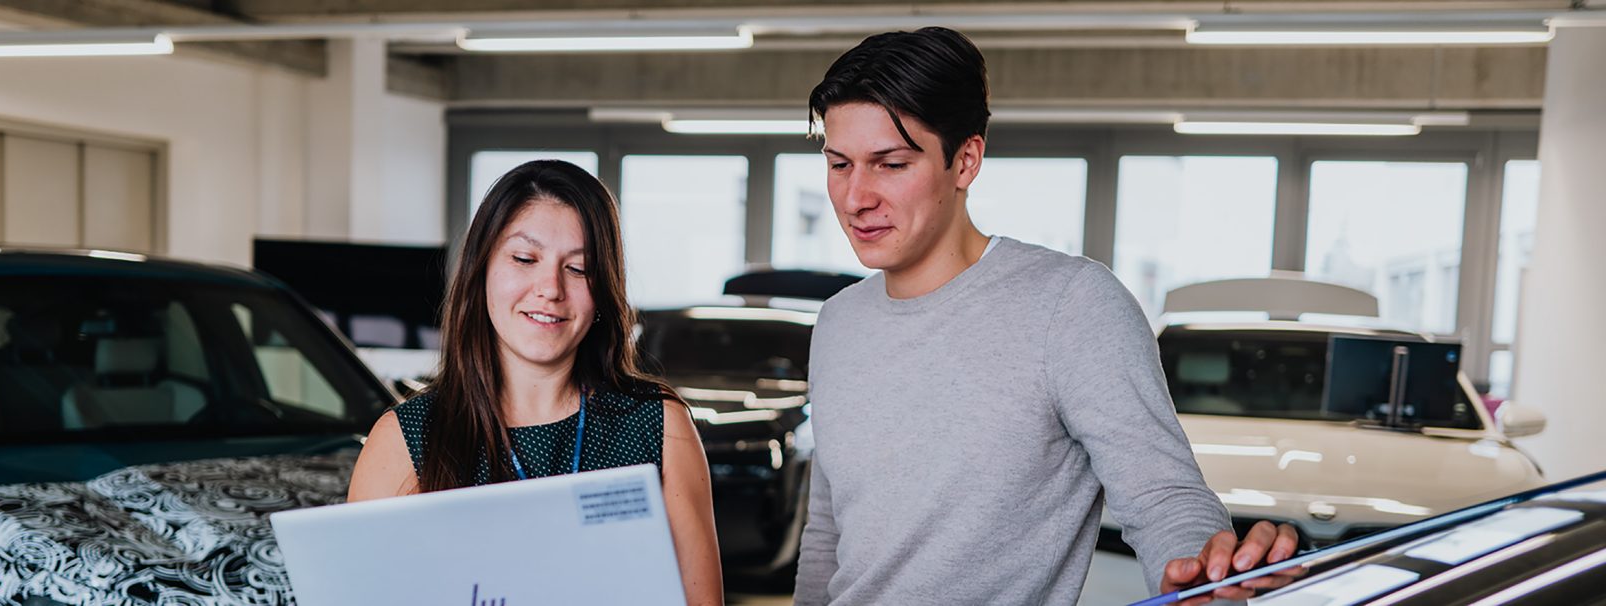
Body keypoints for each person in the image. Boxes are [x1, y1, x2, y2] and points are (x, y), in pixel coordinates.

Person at [793, 28, 1302, 606]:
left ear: (965, 161)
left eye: (888, 164)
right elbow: (829, 534)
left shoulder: (1072, 305)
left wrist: (1207, 574)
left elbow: (1162, 495)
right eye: (839, 165)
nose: (856, 197)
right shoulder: (837, 322)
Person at [347, 160, 724, 605]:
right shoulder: (406, 439)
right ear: (481, 268)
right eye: (525, 259)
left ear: (604, 288)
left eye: (579, 268)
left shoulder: (655, 425)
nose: (550, 288)